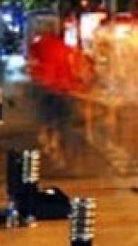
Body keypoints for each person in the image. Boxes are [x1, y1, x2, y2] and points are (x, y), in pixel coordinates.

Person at [26, 17, 78, 170]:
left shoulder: (36, 46)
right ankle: (58, 152)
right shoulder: (65, 47)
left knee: (47, 120)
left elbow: (32, 65)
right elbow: (73, 67)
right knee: (62, 123)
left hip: (45, 88)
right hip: (64, 89)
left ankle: (50, 146)